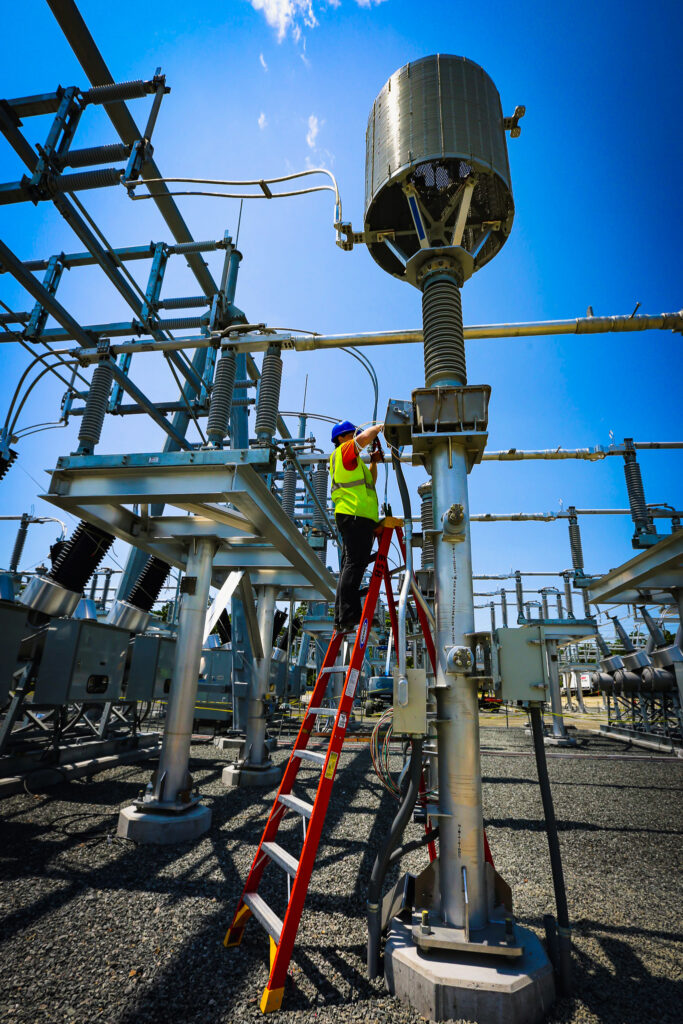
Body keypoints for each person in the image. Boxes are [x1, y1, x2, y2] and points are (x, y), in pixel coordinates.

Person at [329, 419, 384, 633]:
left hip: (356, 516)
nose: (354, 436)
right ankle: (348, 616)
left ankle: (341, 617)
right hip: (354, 515)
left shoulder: (353, 462)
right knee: (354, 565)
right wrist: (379, 427)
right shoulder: (344, 451)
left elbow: (370, 482)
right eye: (350, 433)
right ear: (341, 438)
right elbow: (363, 439)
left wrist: (374, 462)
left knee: (350, 565)